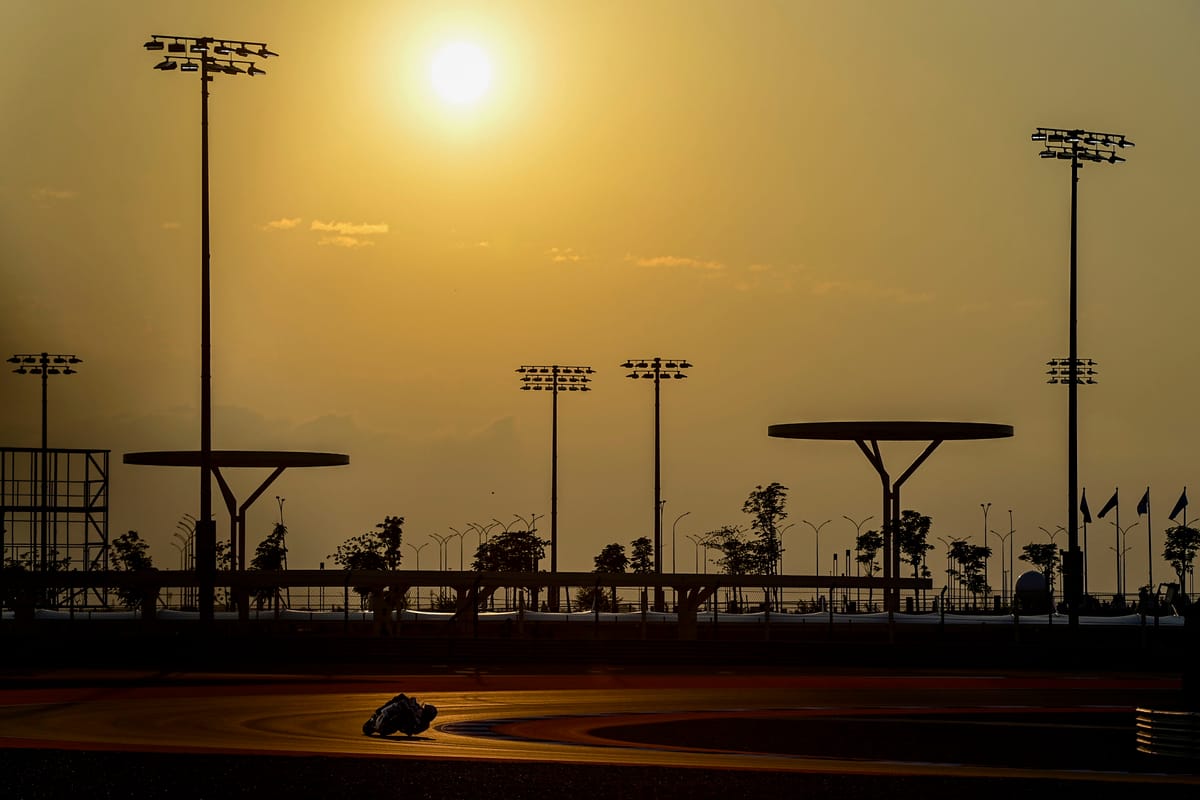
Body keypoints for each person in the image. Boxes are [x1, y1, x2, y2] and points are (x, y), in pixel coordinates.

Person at [362, 693, 438, 736]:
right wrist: (411, 703)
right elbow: (413, 700)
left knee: (403, 707)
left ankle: (382, 719)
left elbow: (411, 731)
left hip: (395, 725)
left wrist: (410, 712)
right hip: (392, 721)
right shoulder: (418, 711)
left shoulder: (422, 724)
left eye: (423, 709)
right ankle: (379, 712)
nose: (421, 708)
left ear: (425, 714)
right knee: (401, 697)